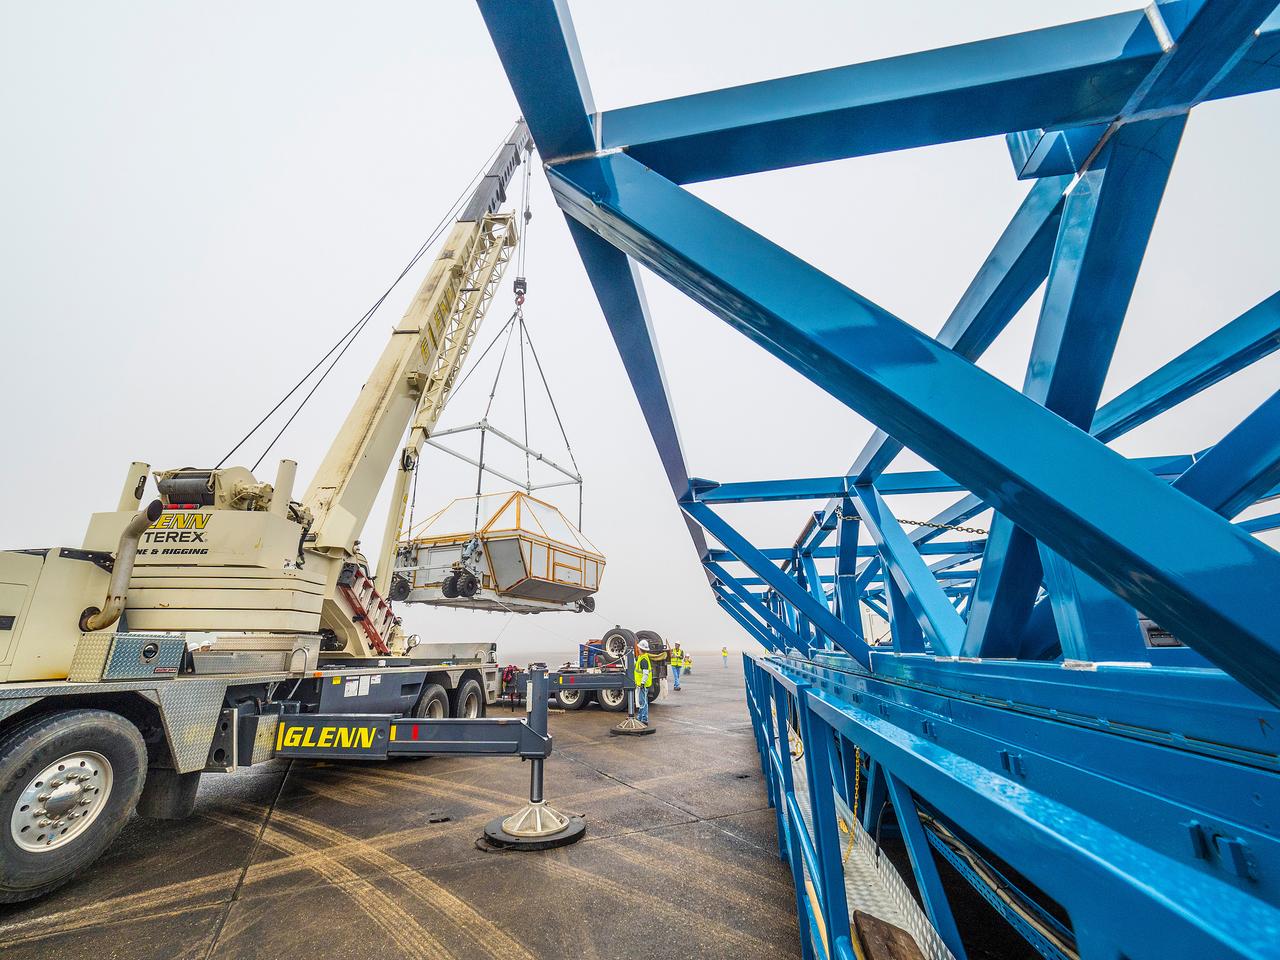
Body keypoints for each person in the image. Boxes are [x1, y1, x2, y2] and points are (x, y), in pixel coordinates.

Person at [634, 639, 653, 724]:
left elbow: (645, 673)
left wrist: (642, 683)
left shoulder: (644, 660)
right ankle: (640, 717)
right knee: (642, 701)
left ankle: (644, 719)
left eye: (638, 648)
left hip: (644, 685)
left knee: (643, 702)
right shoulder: (642, 657)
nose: (637, 649)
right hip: (642, 684)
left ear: (640, 649)